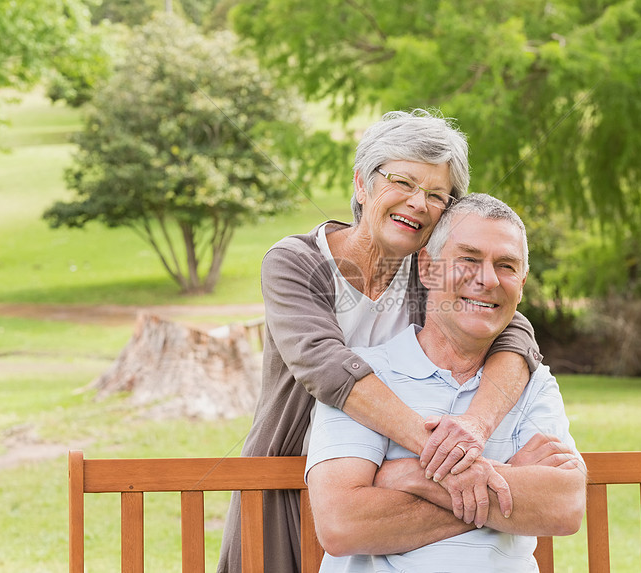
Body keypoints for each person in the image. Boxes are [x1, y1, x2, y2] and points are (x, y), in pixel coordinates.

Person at [217, 110, 543, 573]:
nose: (418, 203)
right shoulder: (297, 262)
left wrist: (474, 427)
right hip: (290, 481)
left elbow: (514, 331)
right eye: (403, 182)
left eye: (436, 195)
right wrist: (447, 457)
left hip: (390, 488)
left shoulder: (428, 275)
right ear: (361, 183)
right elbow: (327, 368)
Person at [305, 194, 586, 572]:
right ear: (428, 268)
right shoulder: (368, 378)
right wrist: (507, 479)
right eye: (468, 259)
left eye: (506, 265)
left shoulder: (533, 384)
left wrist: (415, 478)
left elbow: (563, 507)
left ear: (521, 282)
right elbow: (342, 525)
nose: (487, 280)